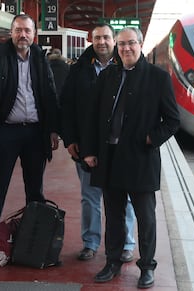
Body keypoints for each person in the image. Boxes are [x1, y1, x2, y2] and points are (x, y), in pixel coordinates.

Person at [81, 27, 180, 288]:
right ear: (117, 46)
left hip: (141, 160)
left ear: (140, 44)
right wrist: (89, 151)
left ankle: (147, 267)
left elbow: (172, 121)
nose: (126, 48)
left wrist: (149, 139)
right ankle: (112, 262)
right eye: (122, 44)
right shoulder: (107, 76)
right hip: (110, 158)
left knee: (146, 219)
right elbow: (92, 117)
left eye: (131, 43)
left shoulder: (158, 78)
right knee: (113, 216)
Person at [0, 14, 60, 268]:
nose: (23, 35)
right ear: (11, 33)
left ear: (34, 35)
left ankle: (36, 246)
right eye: (18, 30)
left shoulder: (41, 61)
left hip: (35, 133)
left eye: (27, 31)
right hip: (6, 133)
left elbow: (50, 96)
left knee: (36, 193)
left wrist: (53, 130)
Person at [60, 23, 136, 263]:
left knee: (124, 197)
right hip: (87, 144)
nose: (101, 42)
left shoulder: (127, 65)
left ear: (114, 40)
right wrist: (70, 138)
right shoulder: (79, 69)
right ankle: (90, 243)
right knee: (90, 196)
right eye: (97, 38)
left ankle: (126, 243)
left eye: (106, 37)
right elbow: (67, 106)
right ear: (91, 41)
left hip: (119, 146)